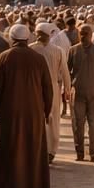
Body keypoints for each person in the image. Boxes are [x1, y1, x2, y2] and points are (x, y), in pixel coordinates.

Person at [0, 23, 53, 188]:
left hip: (10, 111)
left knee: (11, 149)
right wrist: (46, 111)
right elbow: (48, 88)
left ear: (12, 38)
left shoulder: (4, 57)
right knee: (33, 149)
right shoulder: (38, 59)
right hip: (34, 112)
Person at [67, 23, 94, 161]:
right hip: (78, 94)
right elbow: (67, 71)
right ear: (79, 34)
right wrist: (68, 87)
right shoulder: (73, 50)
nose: (84, 36)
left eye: (86, 34)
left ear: (91, 35)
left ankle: (93, 152)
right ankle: (79, 152)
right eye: (82, 33)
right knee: (78, 124)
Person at [31, 23, 70, 162]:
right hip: (49, 88)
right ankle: (49, 150)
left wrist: (67, 89)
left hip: (39, 88)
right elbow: (65, 73)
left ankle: (46, 150)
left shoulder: (32, 49)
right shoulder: (56, 50)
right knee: (51, 119)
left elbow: (65, 72)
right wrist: (67, 89)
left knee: (46, 119)